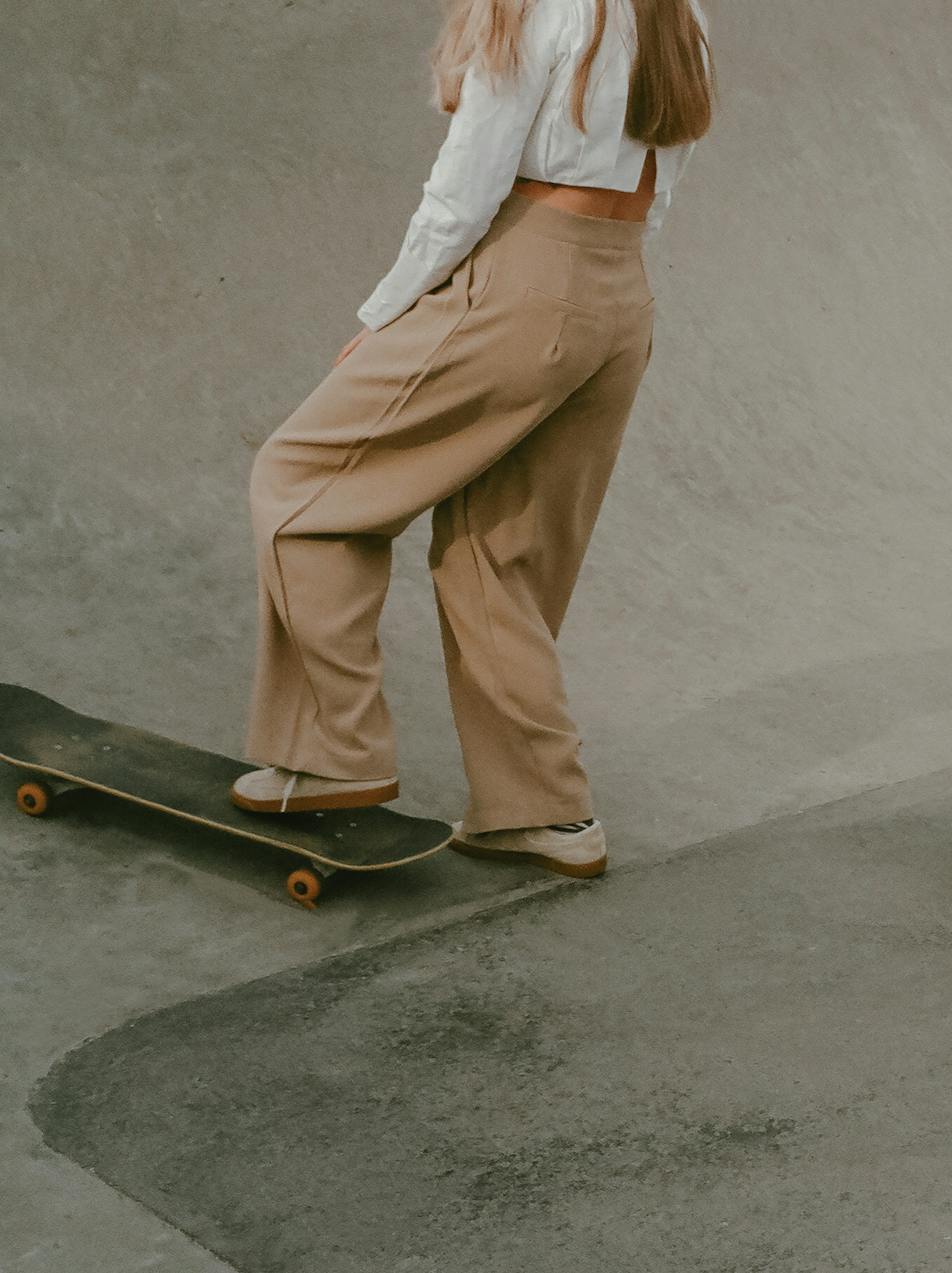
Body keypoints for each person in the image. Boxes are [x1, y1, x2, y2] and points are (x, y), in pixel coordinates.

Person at [232, 0, 714, 879]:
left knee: (302, 479)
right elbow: (665, 175)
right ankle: (542, 811)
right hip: (621, 292)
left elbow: (466, 185)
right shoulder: (679, 15)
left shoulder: (540, 8)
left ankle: (332, 753)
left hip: (524, 275)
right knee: (500, 556)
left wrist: (387, 314)